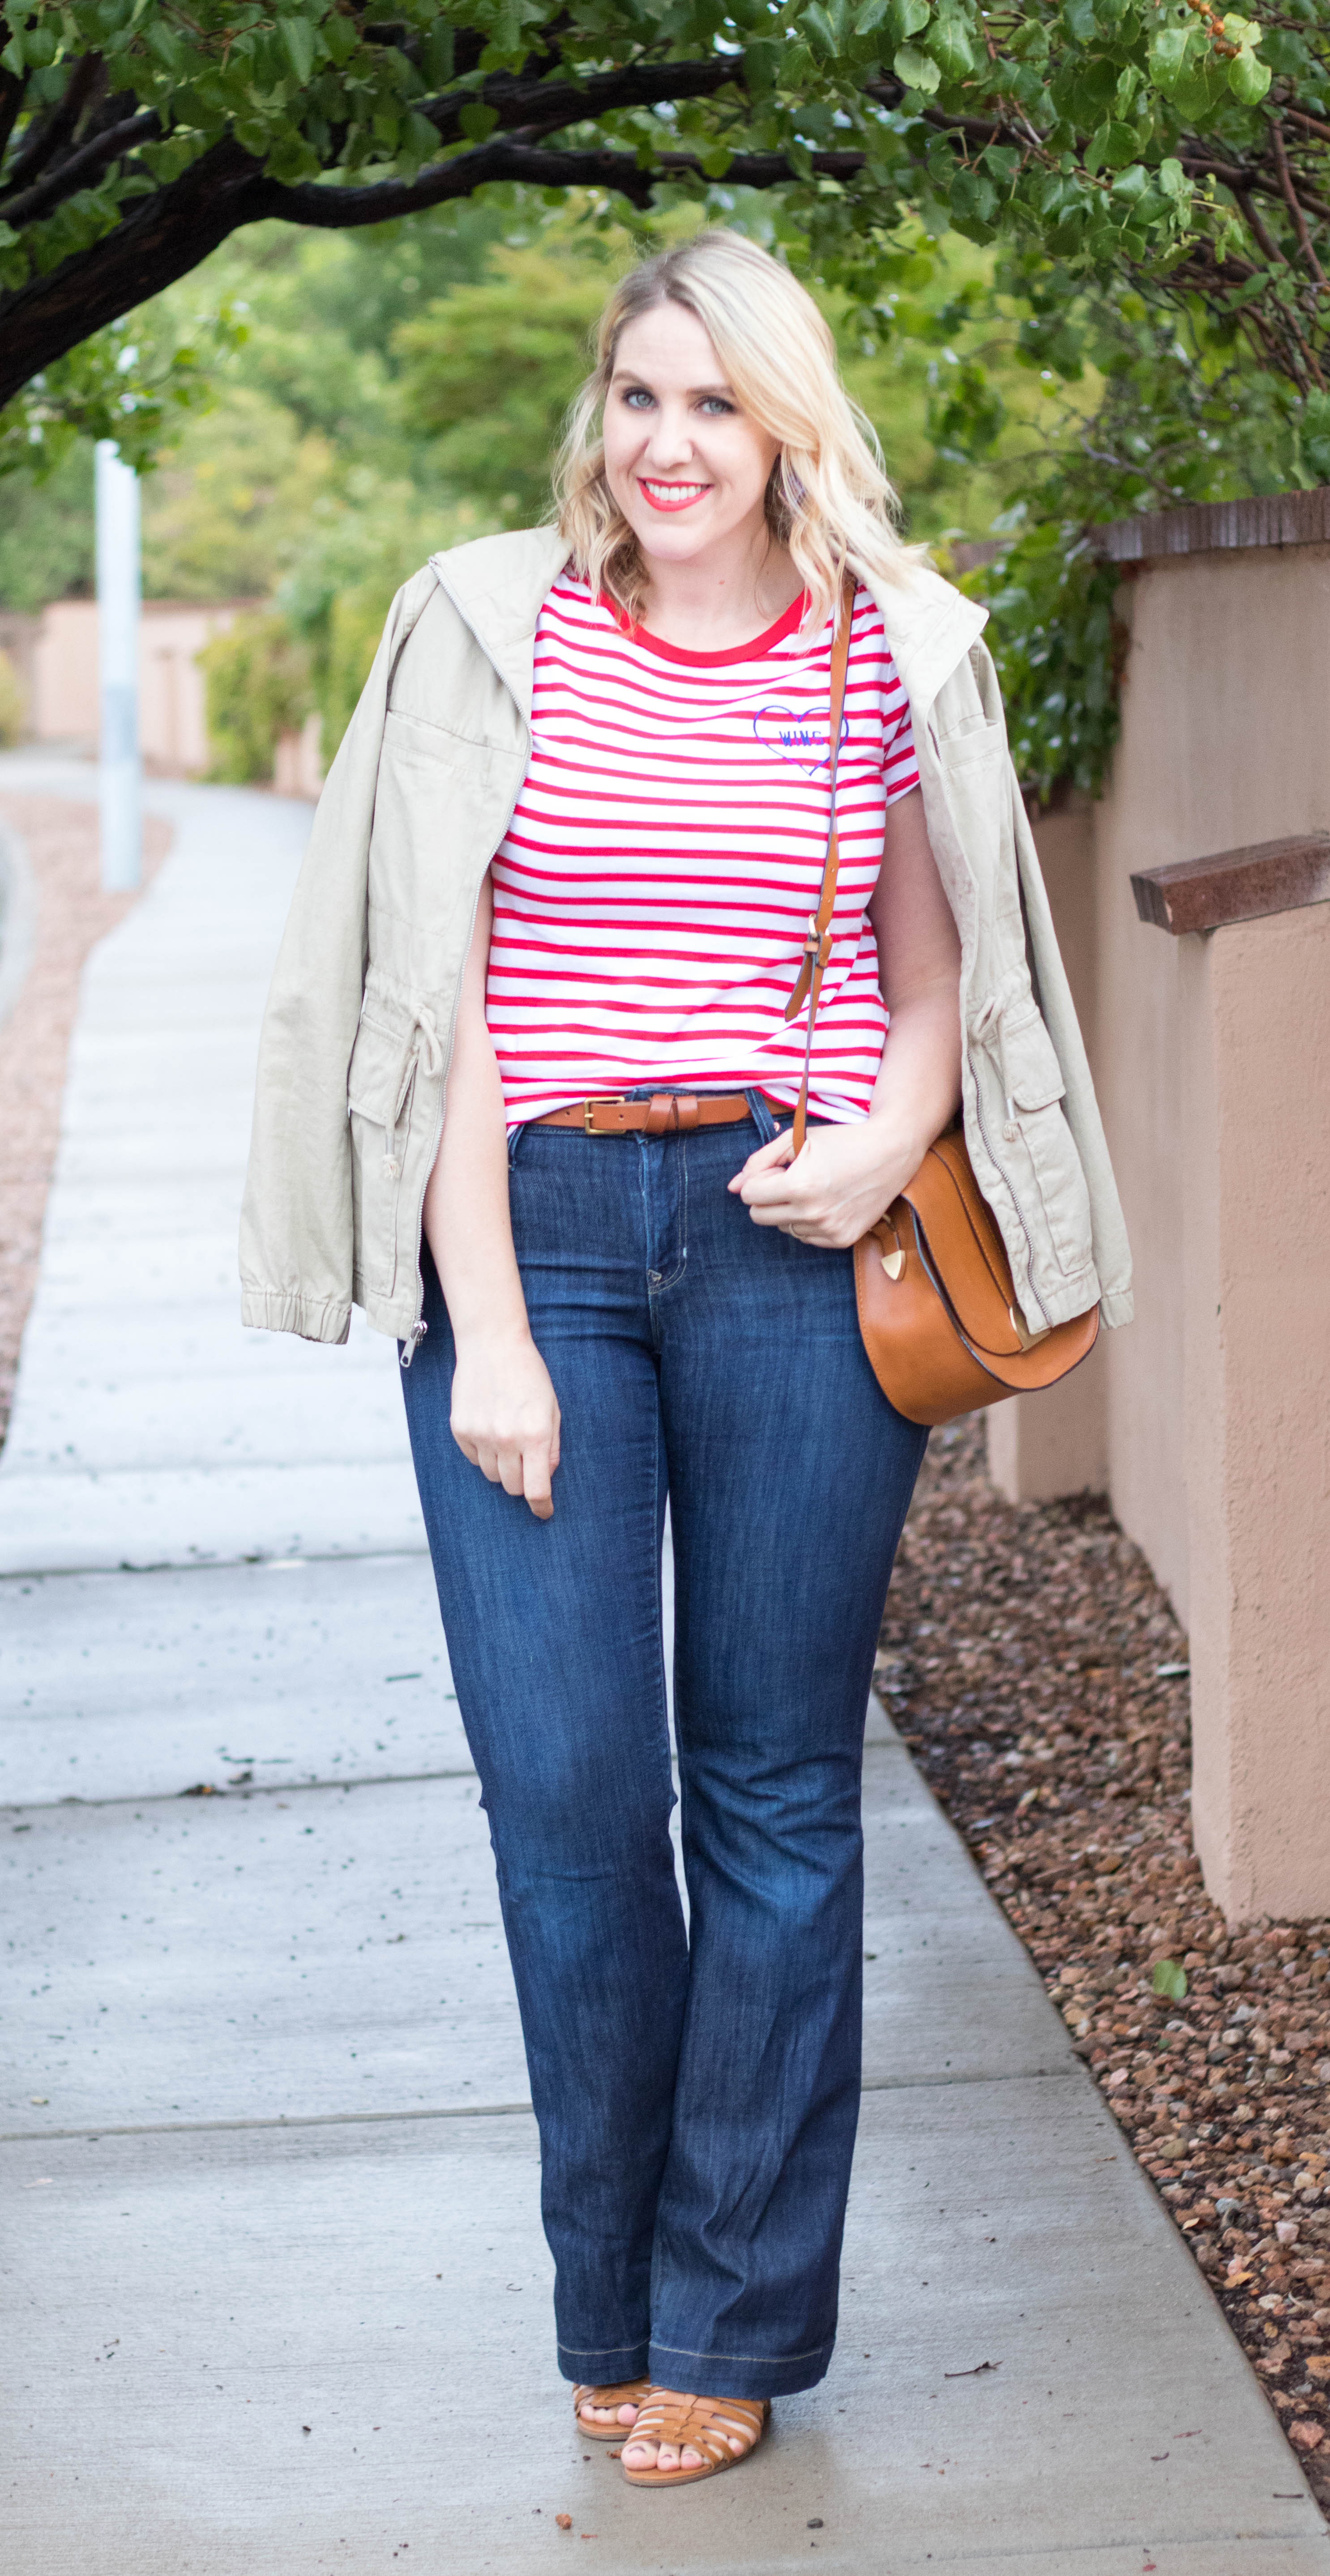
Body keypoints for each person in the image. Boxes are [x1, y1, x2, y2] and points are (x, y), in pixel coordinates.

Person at [240, 228, 1131, 2490]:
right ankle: (608, 2301)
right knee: (566, 1805)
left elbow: (934, 971)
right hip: (531, 1220)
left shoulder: (880, 651)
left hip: (782, 1240)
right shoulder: (483, 627)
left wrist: (878, 1146)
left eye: (713, 404)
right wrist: (490, 1335)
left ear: (785, 426)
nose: (667, 444)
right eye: (636, 397)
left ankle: (725, 2322)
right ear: (598, 419)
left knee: (768, 1798)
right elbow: (431, 999)